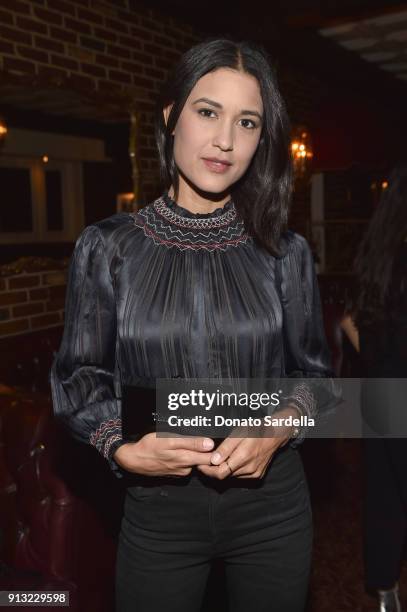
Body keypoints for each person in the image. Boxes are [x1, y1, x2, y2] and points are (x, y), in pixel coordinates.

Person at [50, 39, 335, 612]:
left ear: (262, 138)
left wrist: (278, 426)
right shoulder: (108, 247)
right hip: (158, 513)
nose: (225, 141)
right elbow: (79, 379)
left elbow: (321, 385)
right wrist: (119, 447)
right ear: (171, 115)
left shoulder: (286, 253)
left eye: (247, 122)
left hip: (273, 507)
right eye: (208, 112)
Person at [341, 162, 407, 612]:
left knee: (385, 494)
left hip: (381, 392)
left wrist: (382, 361)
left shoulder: (379, 250)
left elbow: (347, 320)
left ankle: (385, 592)